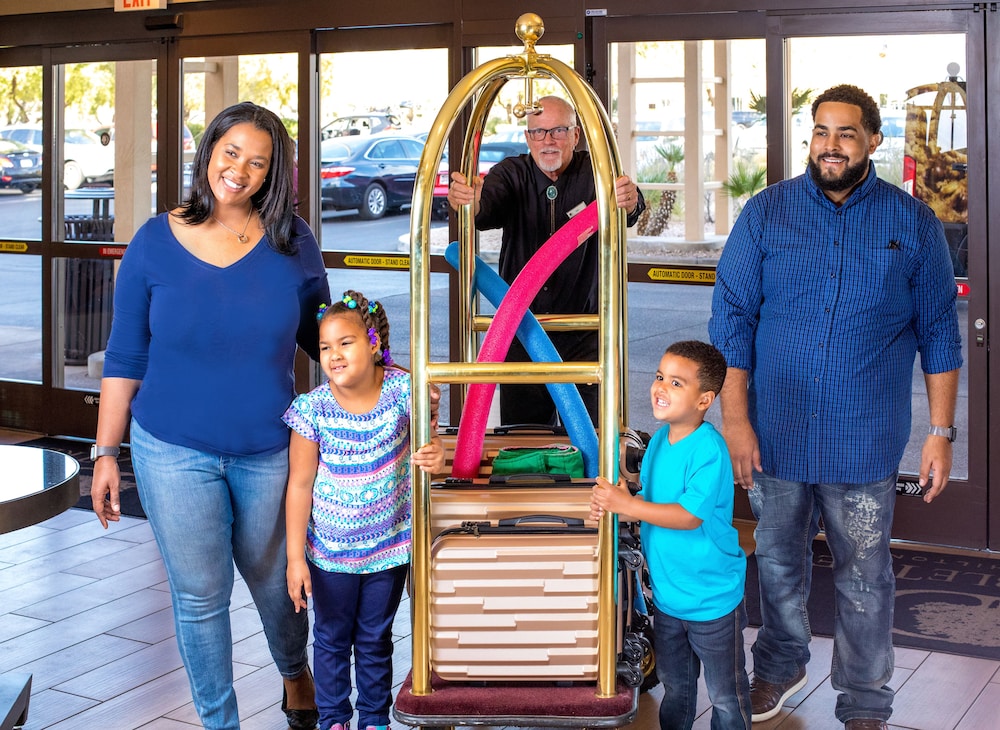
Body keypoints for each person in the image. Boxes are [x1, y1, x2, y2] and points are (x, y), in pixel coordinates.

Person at [708, 84, 963, 730]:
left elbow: (939, 329)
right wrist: (734, 421)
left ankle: (866, 701)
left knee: (864, 577)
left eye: (846, 133)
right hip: (776, 436)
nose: (830, 145)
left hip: (863, 441)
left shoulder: (911, 223)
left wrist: (940, 433)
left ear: (874, 140)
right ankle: (780, 666)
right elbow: (731, 321)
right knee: (779, 563)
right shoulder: (765, 214)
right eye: (821, 132)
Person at [90, 101, 331, 730]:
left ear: (274, 171)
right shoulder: (153, 242)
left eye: (257, 161)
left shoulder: (292, 241)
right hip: (171, 448)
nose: (240, 170)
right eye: (231, 153)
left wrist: (386, 376)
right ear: (209, 153)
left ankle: (292, 670)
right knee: (200, 597)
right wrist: (105, 453)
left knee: (277, 582)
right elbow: (125, 353)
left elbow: (324, 336)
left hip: (268, 449)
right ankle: (220, 722)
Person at [283, 289, 446, 730]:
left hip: (388, 551)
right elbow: (299, 485)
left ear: (373, 343)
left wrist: (436, 454)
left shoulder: (401, 392)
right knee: (332, 640)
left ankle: (374, 719)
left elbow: (431, 445)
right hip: (331, 554)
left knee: (375, 639)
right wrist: (295, 558)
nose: (333, 355)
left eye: (346, 343)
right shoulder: (312, 409)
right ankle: (333, 719)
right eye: (325, 347)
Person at [447, 95, 646, 426]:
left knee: (592, 440)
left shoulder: (596, 173)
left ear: (576, 135)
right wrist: (471, 200)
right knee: (524, 443)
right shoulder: (511, 173)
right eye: (538, 132)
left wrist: (631, 199)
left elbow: (629, 206)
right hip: (523, 332)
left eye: (557, 131)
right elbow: (484, 209)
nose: (547, 141)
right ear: (527, 138)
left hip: (584, 332)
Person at [591, 339, 751, 730]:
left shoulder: (709, 450)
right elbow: (652, 499)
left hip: (712, 601)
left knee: (725, 695)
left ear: (704, 400)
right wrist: (620, 501)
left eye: (677, 383)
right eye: (660, 377)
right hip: (668, 597)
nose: (661, 387)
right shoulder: (659, 441)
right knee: (676, 687)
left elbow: (687, 516)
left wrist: (627, 506)